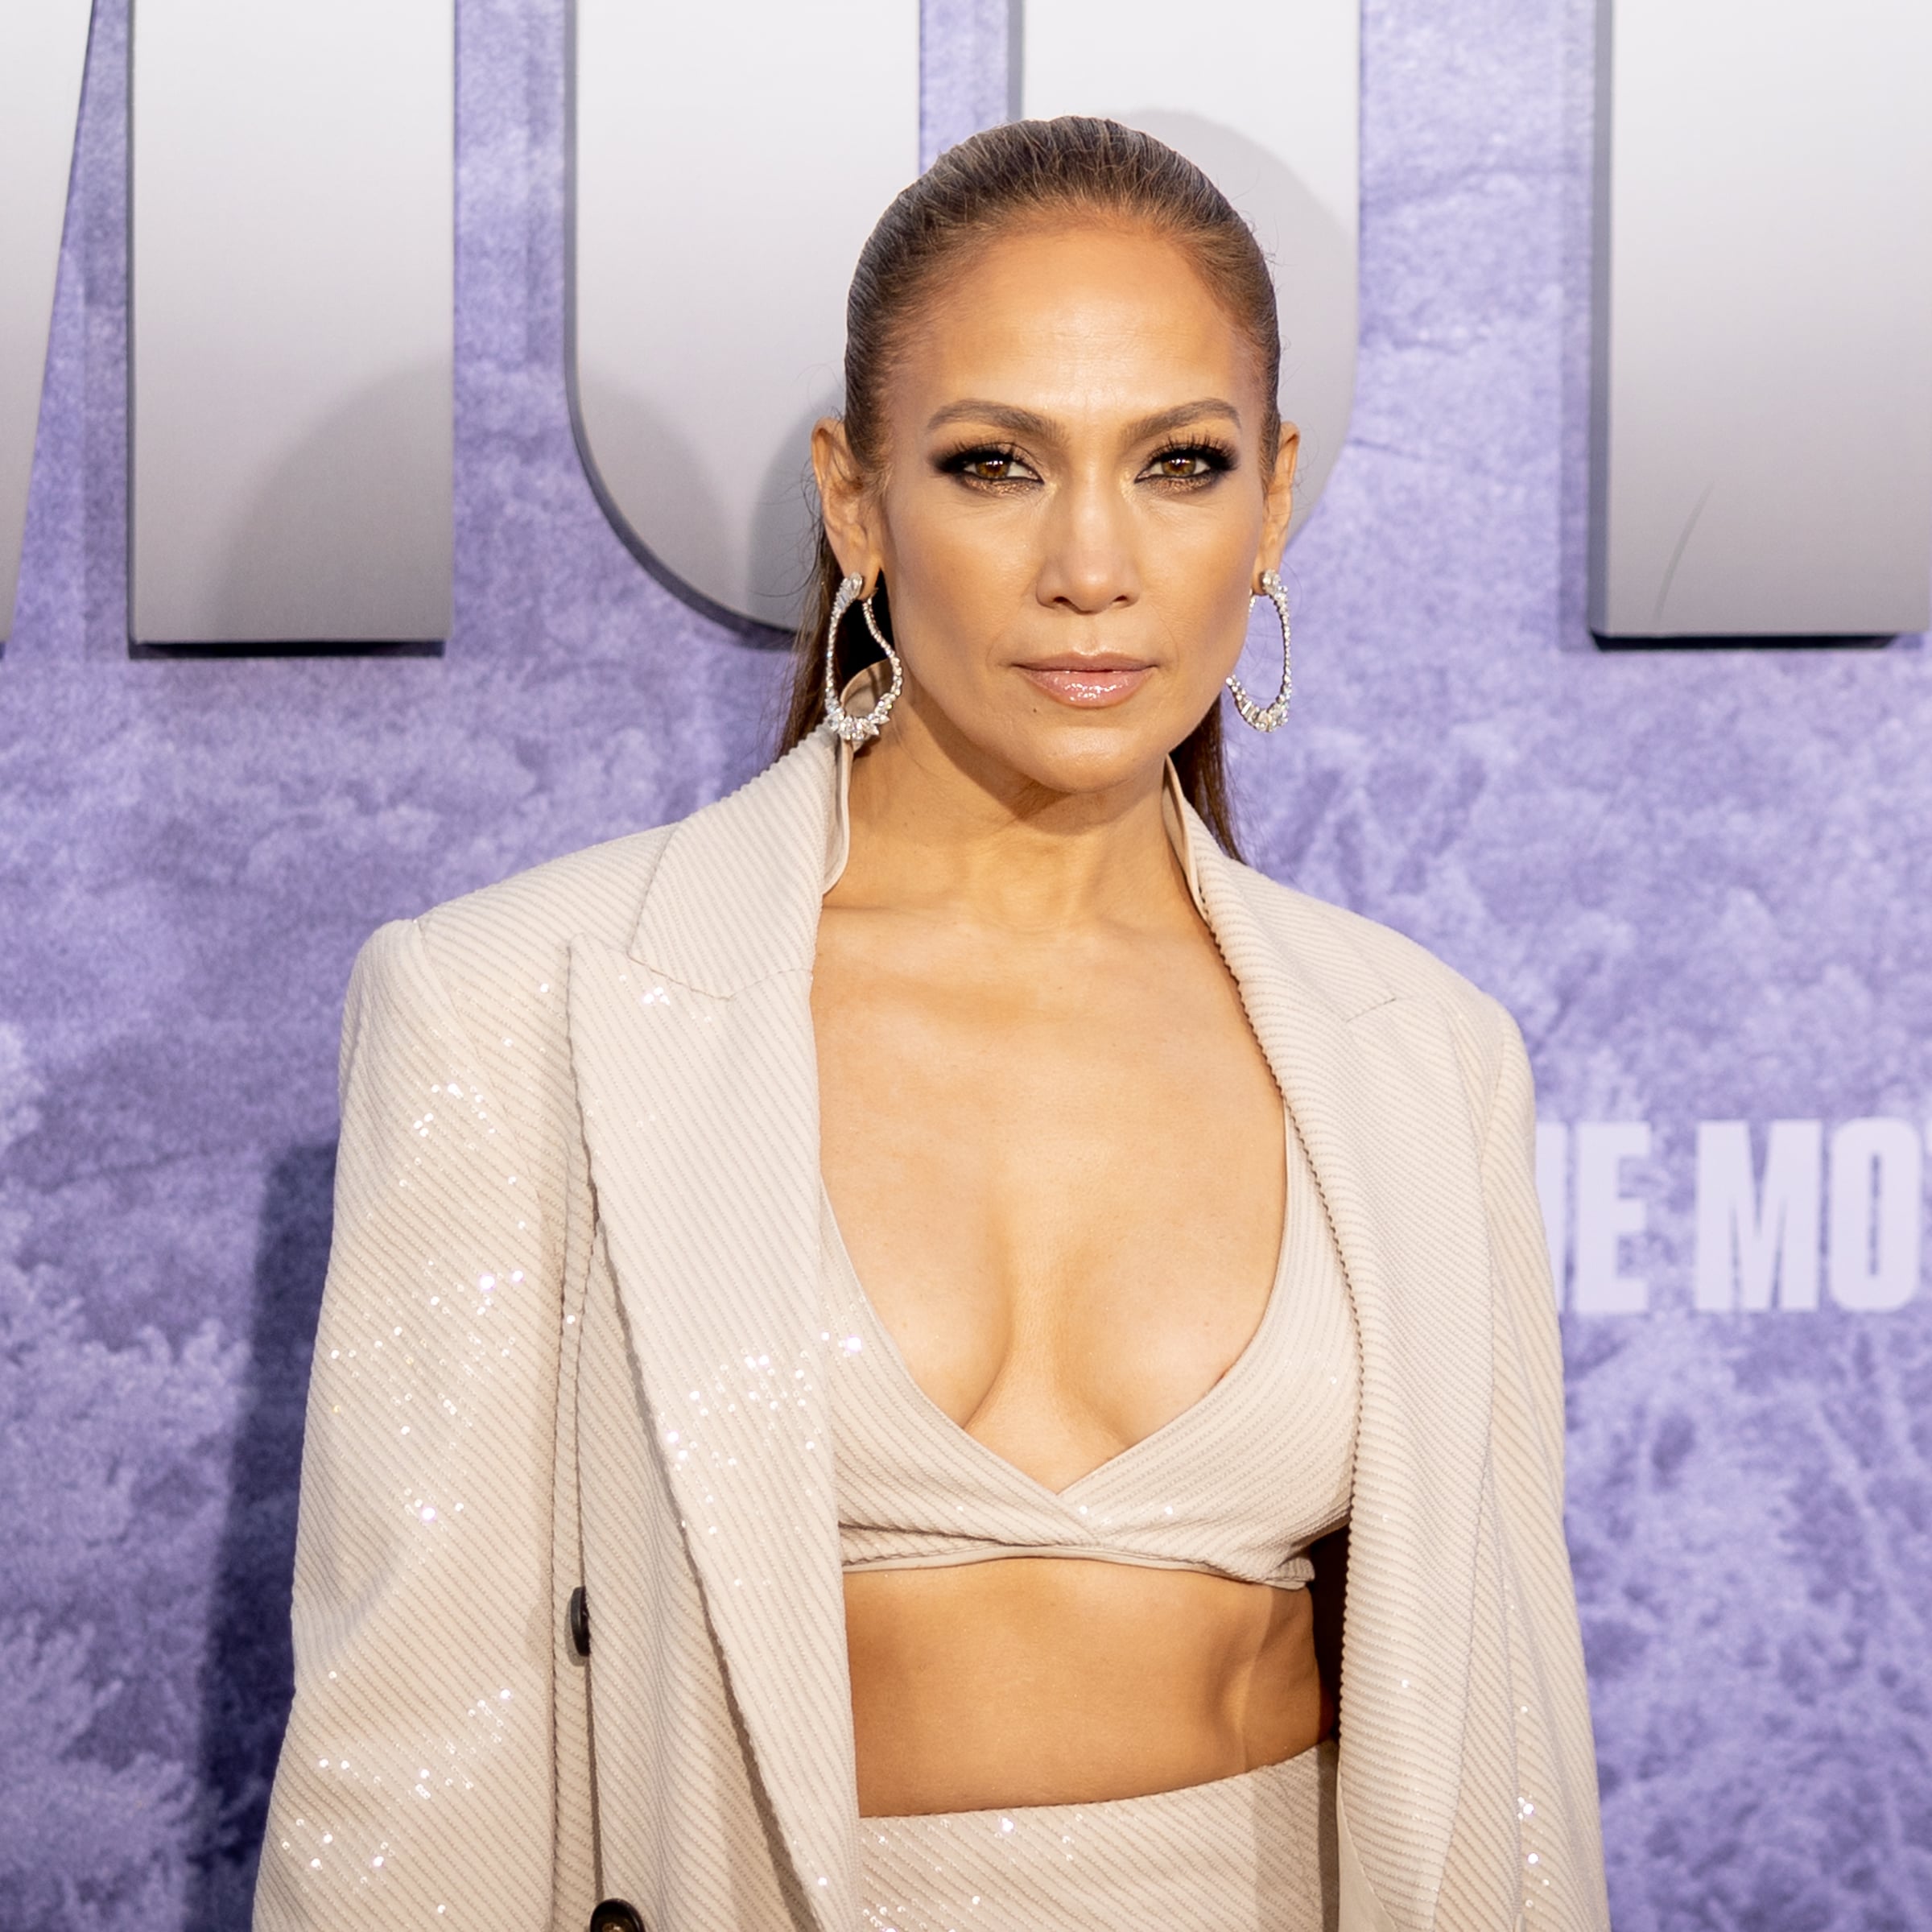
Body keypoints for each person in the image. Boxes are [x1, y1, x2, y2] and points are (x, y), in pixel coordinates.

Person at [255, 118, 1608, 1932]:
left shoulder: (1426, 1056)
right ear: (855, 500)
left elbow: (1513, 1758)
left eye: (1180, 463)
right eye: (995, 465)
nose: (1092, 564)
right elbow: (409, 1760)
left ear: (1273, 498)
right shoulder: (521, 1008)